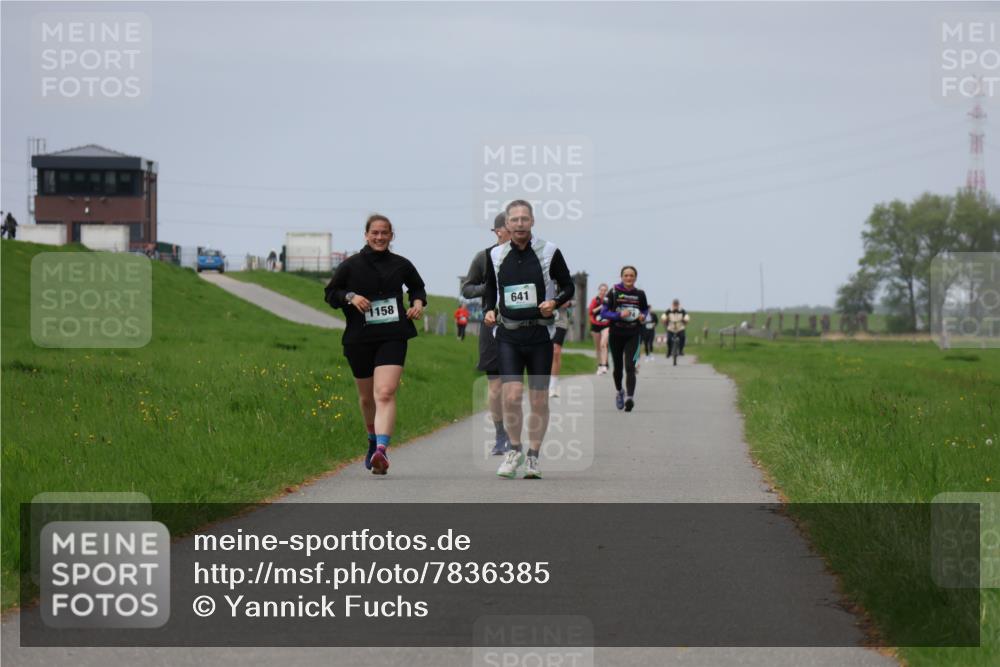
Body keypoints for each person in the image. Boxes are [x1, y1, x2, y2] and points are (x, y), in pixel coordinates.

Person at [324, 214, 426, 475]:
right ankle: (372, 440)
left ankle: (382, 449)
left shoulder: (402, 265)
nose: (380, 237)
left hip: (393, 335)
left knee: (385, 392)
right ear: (366, 235)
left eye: (385, 233)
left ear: (392, 236)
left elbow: (417, 288)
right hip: (360, 339)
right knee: (367, 398)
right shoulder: (351, 265)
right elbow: (331, 294)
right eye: (375, 233)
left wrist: (417, 304)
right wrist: (350, 296)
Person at [484, 200, 574, 479]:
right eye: (515, 219)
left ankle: (534, 456)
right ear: (507, 225)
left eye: (525, 218)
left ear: (532, 221)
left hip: (539, 336)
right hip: (509, 334)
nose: (520, 223)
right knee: (511, 396)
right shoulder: (496, 255)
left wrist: (555, 302)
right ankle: (514, 450)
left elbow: (568, 285)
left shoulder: (549, 251)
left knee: (538, 400)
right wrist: (489, 309)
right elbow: (490, 289)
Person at [461, 212, 512, 456]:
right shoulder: (484, 257)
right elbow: (467, 289)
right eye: (502, 230)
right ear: (496, 231)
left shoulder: (530, 257)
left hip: (523, 327)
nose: (508, 234)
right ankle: (500, 433)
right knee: (496, 387)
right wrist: (489, 287)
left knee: (514, 387)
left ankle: (515, 432)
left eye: (513, 229)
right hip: (492, 326)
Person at [600, 266, 649, 412]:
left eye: (632, 275)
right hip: (616, 333)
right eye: (626, 275)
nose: (629, 278)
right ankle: (620, 391)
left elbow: (645, 309)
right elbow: (603, 313)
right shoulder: (614, 292)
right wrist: (618, 315)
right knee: (618, 368)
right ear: (621, 277)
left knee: (630, 367)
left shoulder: (640, 294)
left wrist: (643, 316)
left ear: (635, 277)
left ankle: (630, 398)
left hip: (633, 334)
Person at [548, 300, 572, 397]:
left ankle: (552, 387)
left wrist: (568, 303)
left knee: (556, 352)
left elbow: (575, 301)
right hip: (544, 321)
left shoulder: (564, 285)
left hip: (560, 322)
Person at [588, 284, 610, 375]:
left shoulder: (609, 300)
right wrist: (601, 307)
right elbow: (591, 311)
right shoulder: (595, 300)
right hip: (595, 324)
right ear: (599, 290)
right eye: (601, 290)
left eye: (605, 290)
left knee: (603, 344)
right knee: (598, 347)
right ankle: (600, 365)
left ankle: (604, 365)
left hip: (606, 324)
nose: (603, 292)